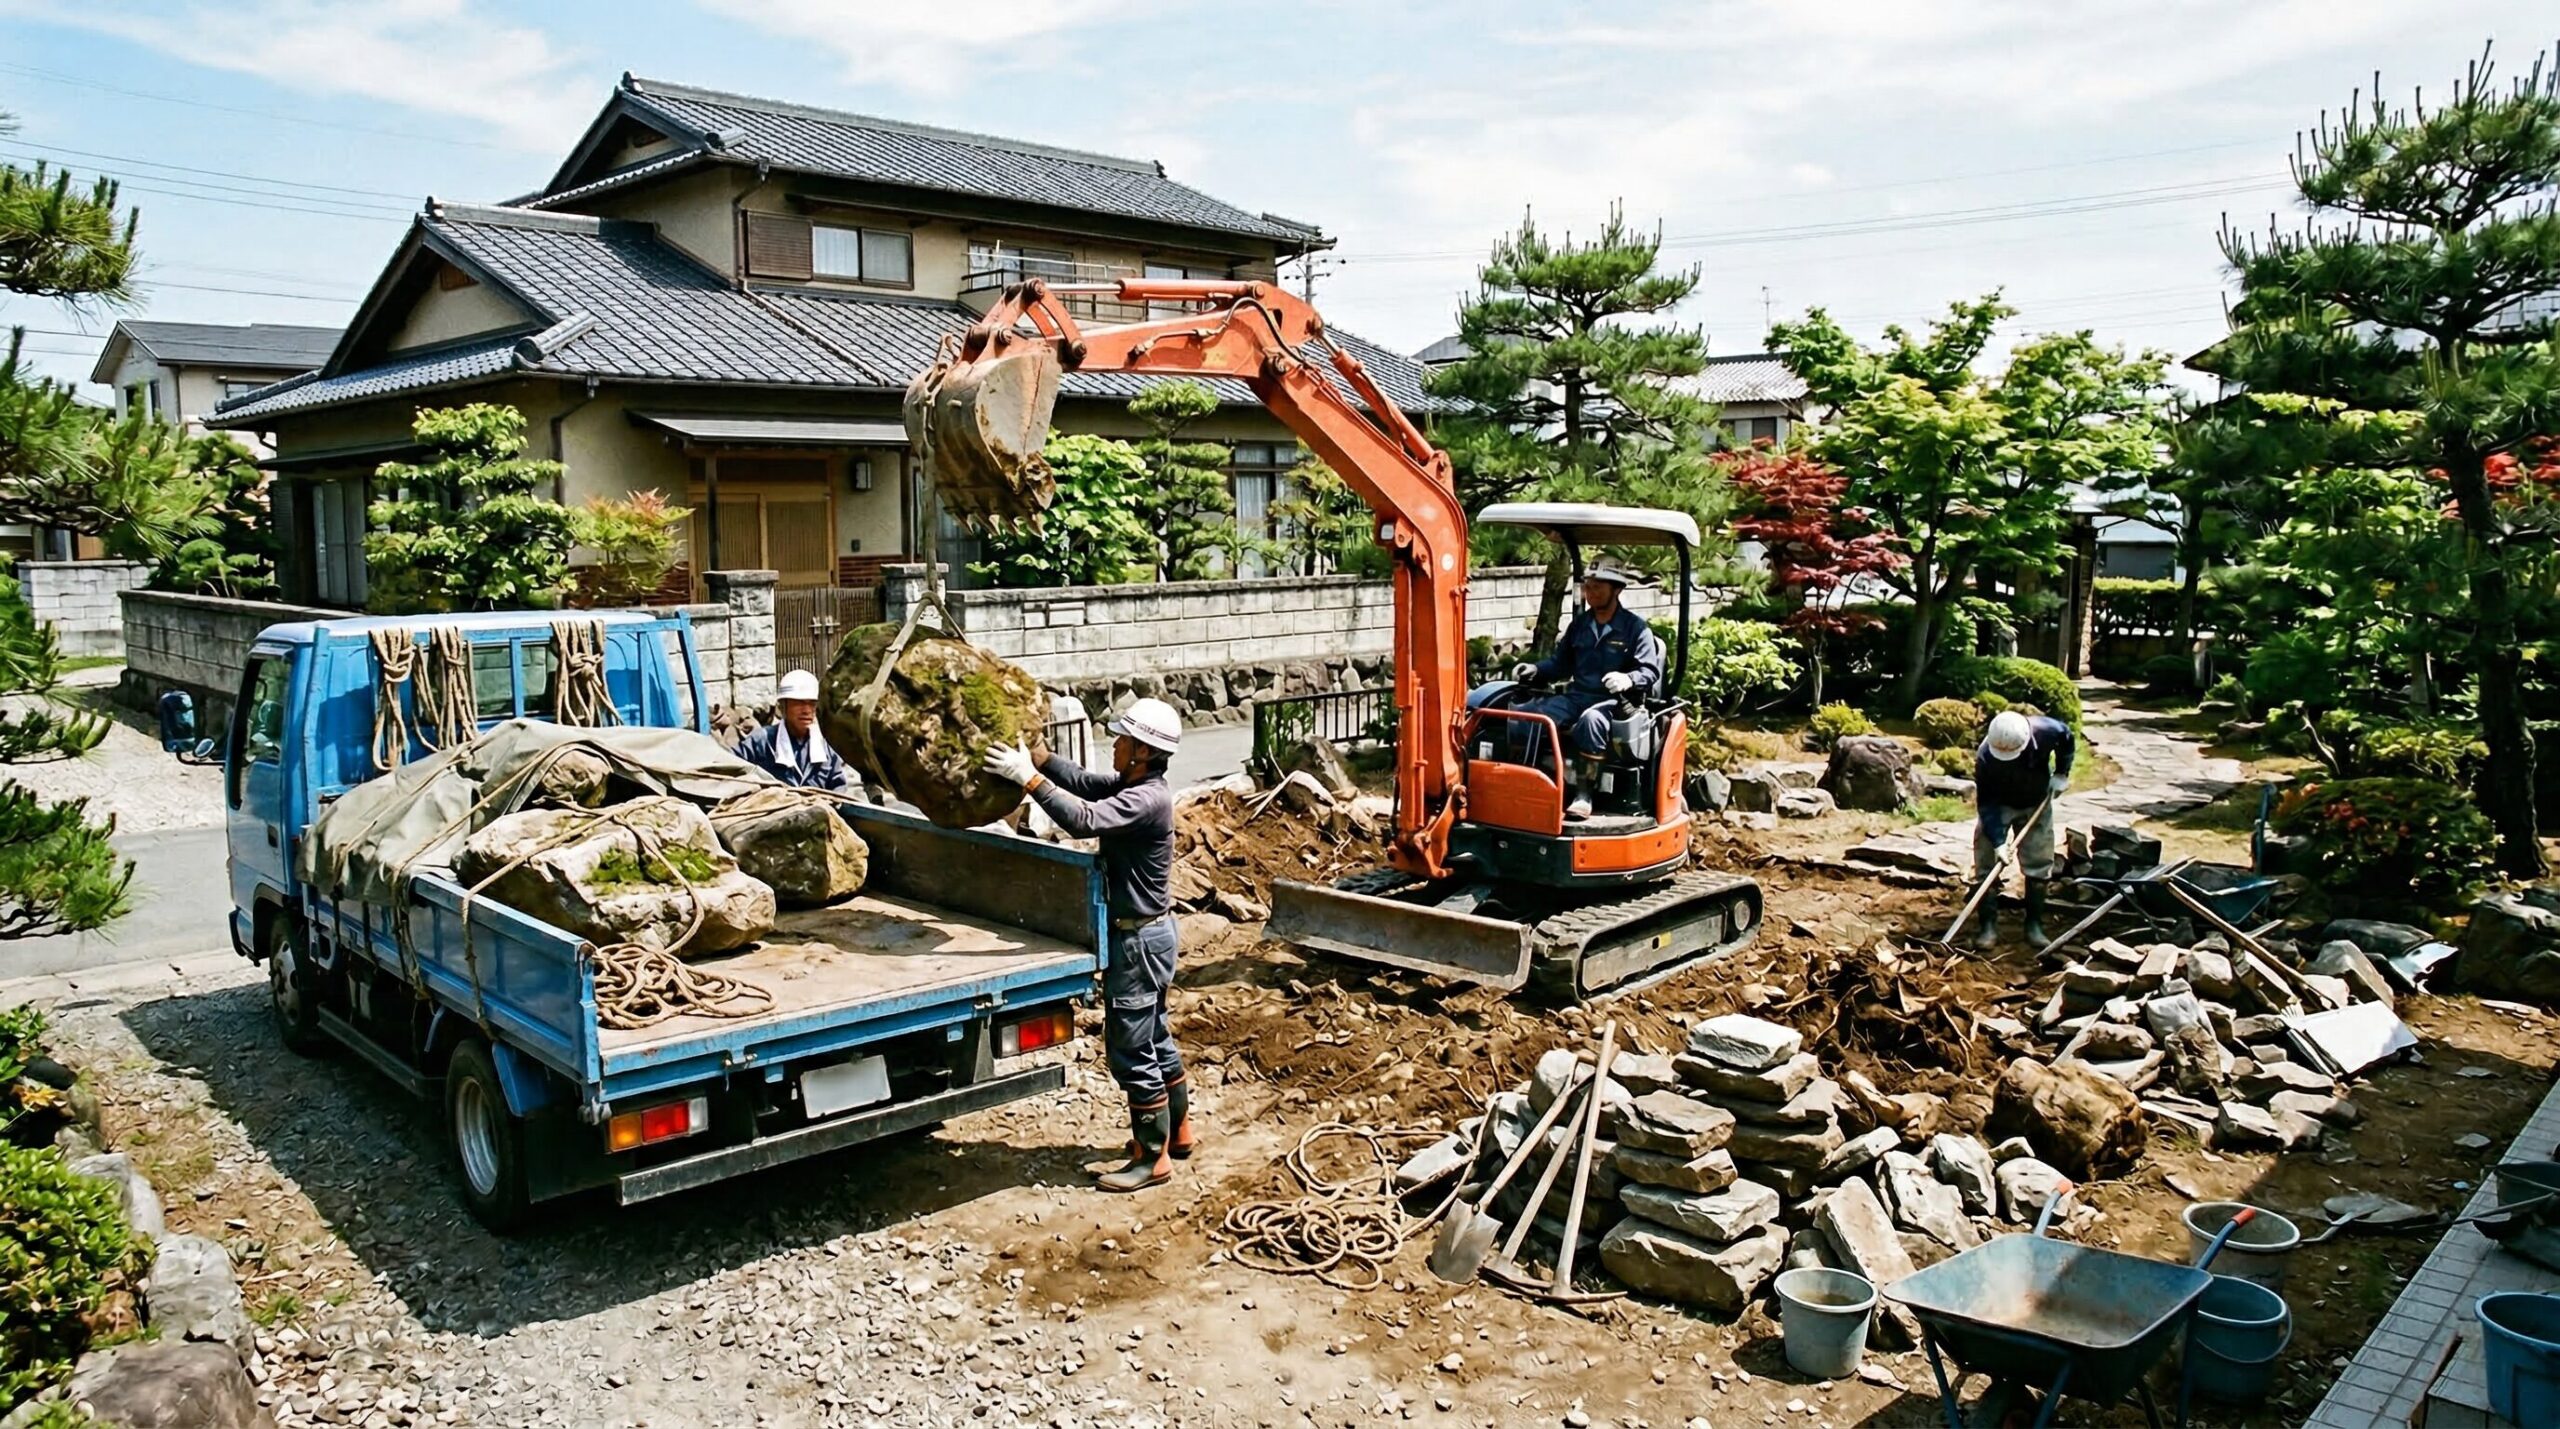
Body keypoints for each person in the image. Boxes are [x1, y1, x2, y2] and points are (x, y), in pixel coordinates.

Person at [981, 698, 1192, 1193]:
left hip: (1138, 942)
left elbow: (1082, 819)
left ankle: (1151, 1158)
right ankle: (1176, 1133)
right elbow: (1083, 785)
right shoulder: (1135, 785)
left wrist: (1027, 781)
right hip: (1150, 936)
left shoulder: (1145, 801)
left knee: (1130, 1046)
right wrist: (1040, 757)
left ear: (1142, 750)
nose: (1113, 745)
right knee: (1155, 1035)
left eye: (1122, 740)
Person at [1510, 555, 1665, 819]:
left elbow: (1649, 671)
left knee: (1591, 721)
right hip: (1578, 695)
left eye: (1598, 587)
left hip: (1615, 703)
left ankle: (1584, 793)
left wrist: (1628, 679)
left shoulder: (1635, 629)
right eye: (1588, 587)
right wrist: (1536, 670)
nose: (1591, 593)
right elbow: (1560, 665)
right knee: (1533, 717)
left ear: (1617, 589)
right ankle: (1528, 783)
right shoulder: (1580, 625)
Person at [1972, 708, 2074, 948]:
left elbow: (2067, 739)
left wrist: (2062, 772)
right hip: (2000, 806)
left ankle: (2034, 925)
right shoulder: (1986, 756)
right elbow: (1986, 803)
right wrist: (1998, 841)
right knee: (1986, 864)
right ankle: (1987, 927)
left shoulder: (2047, 731)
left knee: (2039, 863)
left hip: (2036, 802)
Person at [735, 669, 851, 792]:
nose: (806, 710)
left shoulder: (826, 745)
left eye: (812, 704)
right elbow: (731, 767)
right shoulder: (761, 741)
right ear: (782, 707)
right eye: (799, 703)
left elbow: (838, 787)